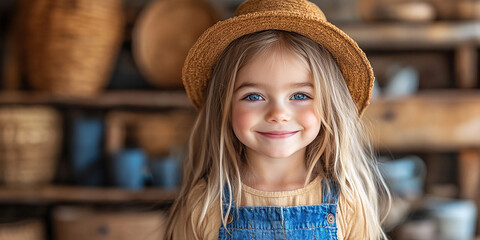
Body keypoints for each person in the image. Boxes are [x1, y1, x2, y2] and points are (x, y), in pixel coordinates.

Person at [165, 0, 390, 239]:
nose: (278, 114)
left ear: (329, 104)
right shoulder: (205, 205)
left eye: (300, 95)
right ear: (225, 105)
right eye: (254, 96)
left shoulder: (347, 202)